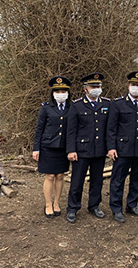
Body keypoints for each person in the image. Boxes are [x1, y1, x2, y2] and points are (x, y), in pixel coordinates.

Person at [106, 71, 138, 223]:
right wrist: (111, 147)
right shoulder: (117, 103)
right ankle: (116, 208)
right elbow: (111, 128)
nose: (136, 88)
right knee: (117, 180)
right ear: (128, 85)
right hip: (122, 149)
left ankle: (132, 205)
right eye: (133, 85)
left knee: (136, 179)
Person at [66, 73, 110, 223]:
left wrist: (109, 148)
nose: (96, 89)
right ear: (85, 88)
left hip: (99, 149)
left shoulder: (106, 104)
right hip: (81, 150)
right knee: (77, 181)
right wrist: (71, 150)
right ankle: (73, 208)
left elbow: (109, 129)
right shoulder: (76, 105)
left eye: (98, 86)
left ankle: (94, 205)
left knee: (97, 180)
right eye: (93, 87)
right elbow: (71, 130)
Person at [32, 76, 72, 218]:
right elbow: (39, 129)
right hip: (47, 146)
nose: (61, 94)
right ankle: (48, 204)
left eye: (63, 91)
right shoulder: (46, 108)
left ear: (67, 93)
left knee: (60, 175)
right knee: (49, 176)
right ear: (53, 93)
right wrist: (36, 148)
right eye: (57, 91)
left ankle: (56, 203)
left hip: (63, 147)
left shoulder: (71, 107)